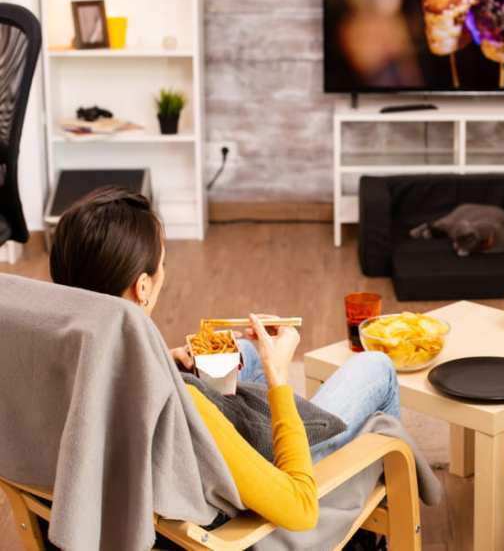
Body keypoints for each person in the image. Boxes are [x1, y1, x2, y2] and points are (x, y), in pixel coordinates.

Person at [48, 187, 401, 531]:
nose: (163, 271)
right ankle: (380, 528)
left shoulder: (63, 362)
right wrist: (278, 375)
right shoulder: (181, 402)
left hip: (166, 470)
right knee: (377, 368)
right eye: (162, 262)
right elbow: (300, 510)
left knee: (242, 353)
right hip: (252, 502)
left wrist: (166, 363)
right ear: (142, 287)